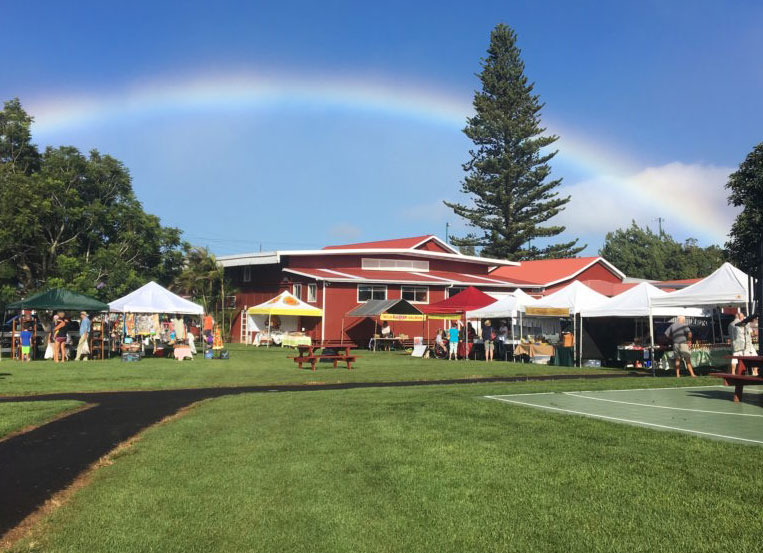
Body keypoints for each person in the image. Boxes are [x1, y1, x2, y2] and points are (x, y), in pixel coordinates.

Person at [728, 311, 757, 375]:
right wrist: (755, 333)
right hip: (744, 345)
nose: (744, 318)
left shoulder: (730, 324)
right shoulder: (743, 323)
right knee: (755, 357)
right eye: (743, 316)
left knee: (734, 359)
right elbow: (749, 333)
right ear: (740, 317)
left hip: (734, 345)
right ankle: (755, 372)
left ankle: (733, 373)